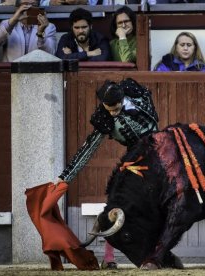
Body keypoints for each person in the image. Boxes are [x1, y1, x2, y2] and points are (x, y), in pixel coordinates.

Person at [55, 78, 158, 269]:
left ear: (122, 99)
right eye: (108, 109)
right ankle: (109, 257)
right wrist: (64, 177)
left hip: (160, 150)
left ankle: (158, 252)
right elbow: (87, 149)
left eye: (116, 108)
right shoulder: (104, 118)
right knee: (116, 204)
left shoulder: (138, 95)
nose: (112, 113)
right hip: (134, 159)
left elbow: (153, 119)